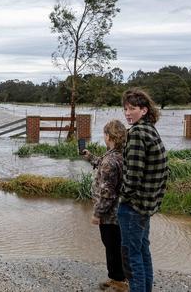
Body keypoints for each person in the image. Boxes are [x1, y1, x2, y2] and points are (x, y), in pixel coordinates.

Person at [118, 88, 168, 292]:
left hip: (134, 206)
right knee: (142, 251)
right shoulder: (150, 129)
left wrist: (122, 196)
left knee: (132, 257)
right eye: (125, 109)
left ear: (144, 110)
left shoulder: (138, 133)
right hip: (147, 205)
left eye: (132, 109)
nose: (127, 113)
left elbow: (134, 175)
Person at [82, 120, 128, 292]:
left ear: (108, 136)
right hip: (120, 211)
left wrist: (97, 213)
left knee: (112, 245)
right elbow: (104, 166)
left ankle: (118, 280)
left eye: (104, 134)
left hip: (110, 213)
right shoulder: (120, 154)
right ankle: (119, 277)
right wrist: (90, 157)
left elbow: (107, 192)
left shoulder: (110, 160)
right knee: (116, 245)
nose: (104, 137)